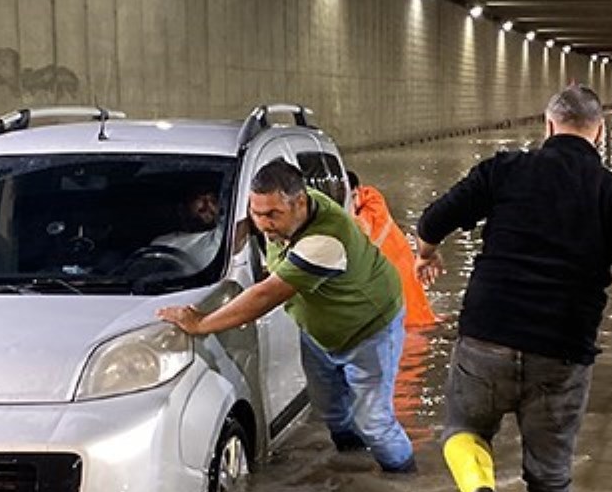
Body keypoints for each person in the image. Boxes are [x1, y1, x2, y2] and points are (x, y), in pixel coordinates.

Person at [415, 85, 612, 492]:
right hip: (562, 351)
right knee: (551, 473)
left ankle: (480, 489)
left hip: (486, 336)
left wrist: (426, 253)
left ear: (548, 124)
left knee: (463, 430)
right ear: (598, 132)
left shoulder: (504, 170)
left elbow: (433, 220)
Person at [157, 159, 416, 473]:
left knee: (374, 420)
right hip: (321, 329)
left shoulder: (324, 242)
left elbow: (266, 296)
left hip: (369, 328)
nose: (264, 223)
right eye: (257, 213)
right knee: (332, 411)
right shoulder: (288, 212)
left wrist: (201, 323)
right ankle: (353, 464)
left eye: (272, 215)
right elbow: (247, 228)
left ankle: (403, 480)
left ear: (300, 203)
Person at [344, 170, 439, 327]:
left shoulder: (373, 203)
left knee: (412, 332)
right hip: (392, 285)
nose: (352, 204)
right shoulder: (368, 204)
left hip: (400, 285)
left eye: (353, 197)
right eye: (348, 199)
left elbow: (361, 233)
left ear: (360, 190)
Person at [149, 182, 225, 273]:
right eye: (199, 199)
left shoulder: (223, 235)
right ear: (182, 208)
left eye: (213, 201)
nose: (208, 206)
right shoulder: (161, 244)